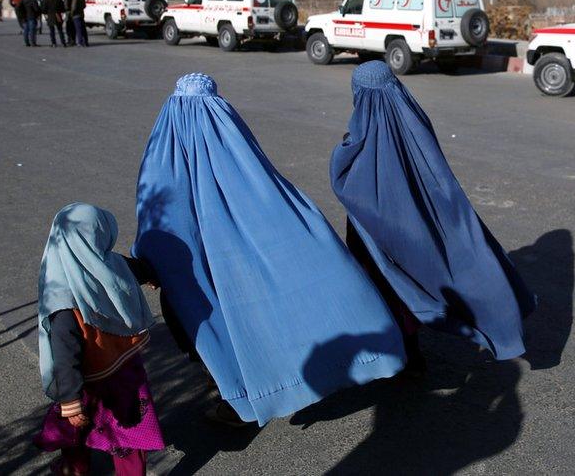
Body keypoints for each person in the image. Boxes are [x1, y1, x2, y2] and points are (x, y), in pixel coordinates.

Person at [133, 73, 405, 426]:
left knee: (213, 324)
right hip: (232, 261)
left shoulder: (163, 151)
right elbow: (265, 192)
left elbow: (156, 216)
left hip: (192, 269)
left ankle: (239, 398)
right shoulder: (227, 135)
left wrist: (150, 265)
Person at [330, 61, 537, 372]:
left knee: (385, 287)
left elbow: (345, 178)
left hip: (374, 227)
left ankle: (397, 358)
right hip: (415, 221)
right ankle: (413, 352)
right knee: (421, 277)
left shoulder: (359, 135)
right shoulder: (412, 118)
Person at [33, 203, 164, 476]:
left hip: (85, 380)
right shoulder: (113, 265)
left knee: (75, 430)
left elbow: (63, 351)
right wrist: (152, 274)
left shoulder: (59, 293)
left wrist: (68, 398)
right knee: (128, 432)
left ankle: (75, 468)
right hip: (124, 370)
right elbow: (136, 269)